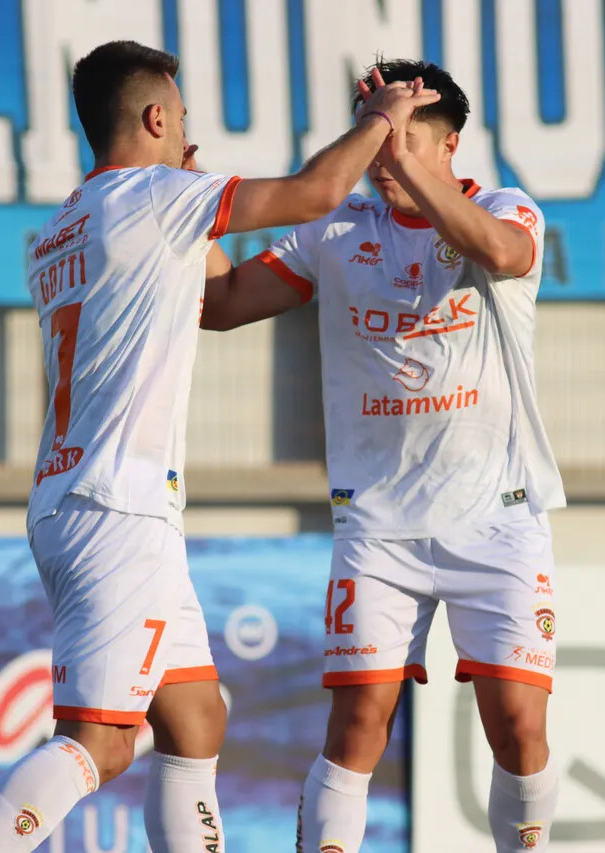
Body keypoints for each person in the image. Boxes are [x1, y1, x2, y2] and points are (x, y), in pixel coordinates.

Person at [0, 41, 439, 853]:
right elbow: (318, 191)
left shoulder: (62, 224)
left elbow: (209, 288)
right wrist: (380, 120)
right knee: (99, 742)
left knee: (197, 715)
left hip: (83, 498)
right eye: (181, 122)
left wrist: (189, 195)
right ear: (155, 118)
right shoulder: (156, 196)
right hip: (119, 507)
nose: (186, 138)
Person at [199, 60, 565, 853]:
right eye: (376, 143)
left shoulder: (506, 208)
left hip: (496, 521)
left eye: (405, 142)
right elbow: (222, 307)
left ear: (451, 145)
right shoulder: (334, 234)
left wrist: (397, 158)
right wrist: (182, 211)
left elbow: (501, 255)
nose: (385, 161)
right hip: (379, 528)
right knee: (359, 723)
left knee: (518, 724)